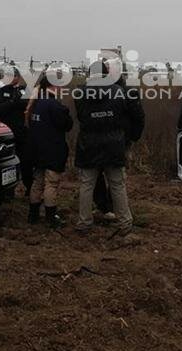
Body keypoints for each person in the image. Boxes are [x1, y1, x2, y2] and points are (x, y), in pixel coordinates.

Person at [74, 61, 144, 236]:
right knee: (117, 185)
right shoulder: (119, 92)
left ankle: (84, 222)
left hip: (88, 144)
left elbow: (82, 118)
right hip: (114, 144)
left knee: (86, 185)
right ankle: (125, 223)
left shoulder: (80, 93)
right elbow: (126, 116)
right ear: (106, 74)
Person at [27, 75, 74, 227]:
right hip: (52, 150)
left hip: (36, 149)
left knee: (37, 182)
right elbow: (67, 125)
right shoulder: (54, 105)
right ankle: (51, 217)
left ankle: (33, 215)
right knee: (51, 184)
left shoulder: (35, 103)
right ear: (53, 86)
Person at [0, 68, 31, 192]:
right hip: (7, 132)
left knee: (26, 161)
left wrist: (16, 102)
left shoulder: (25, 90)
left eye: (13, 76)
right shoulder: (2, 91)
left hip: (22, 131)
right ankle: (9, 190)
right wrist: (13, 102)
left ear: (18, 77)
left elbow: (28, 105)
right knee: (8, 162)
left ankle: (29, 187)